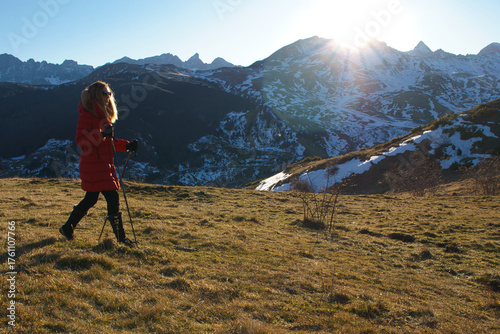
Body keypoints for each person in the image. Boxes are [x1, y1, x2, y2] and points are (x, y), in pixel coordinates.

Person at [59, 81, 138, 247]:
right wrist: (101, 134)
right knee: (112, 197)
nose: (108, 95)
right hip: (94, 164)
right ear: (96, 94)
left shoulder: (104, 116)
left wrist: (127, 145)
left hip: (102, 163)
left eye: (109, 92)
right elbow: (81, 141)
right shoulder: (87, 115)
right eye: (104, 92)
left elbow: (108, 141)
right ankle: (121, 239)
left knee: (91, 199)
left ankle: (67, 227)